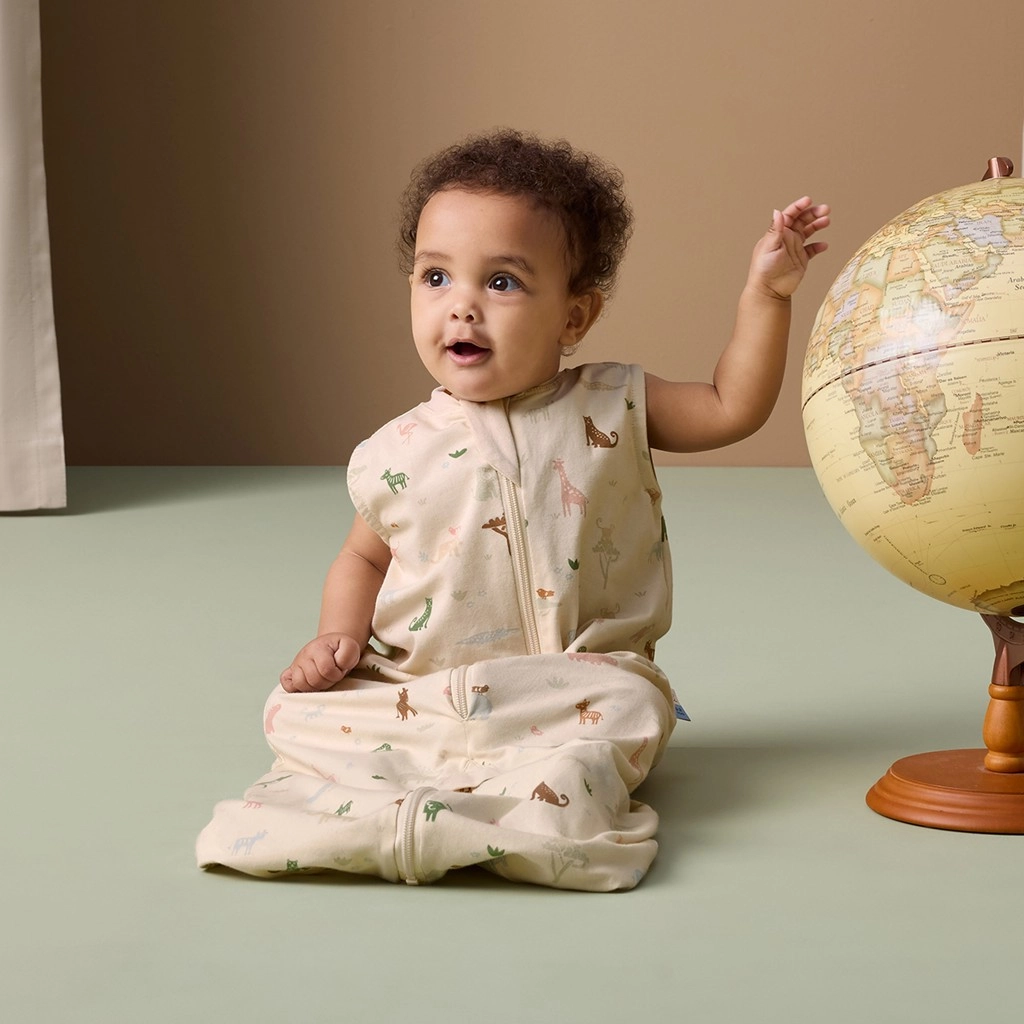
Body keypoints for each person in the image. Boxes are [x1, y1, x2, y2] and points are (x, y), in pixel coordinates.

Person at [196, 129, 829, 890]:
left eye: (501, 282)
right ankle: (442, 801)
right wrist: (336, 636)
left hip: (564, 692)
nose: (462, 306)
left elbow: (731, 406)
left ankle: (482, 804)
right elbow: (362, 556)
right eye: (435, 277)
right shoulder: (396, 450)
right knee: (288, 711)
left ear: (574, 317)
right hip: (419, 694)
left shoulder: (615, 403)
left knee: (633, 704)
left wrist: (766, 295)